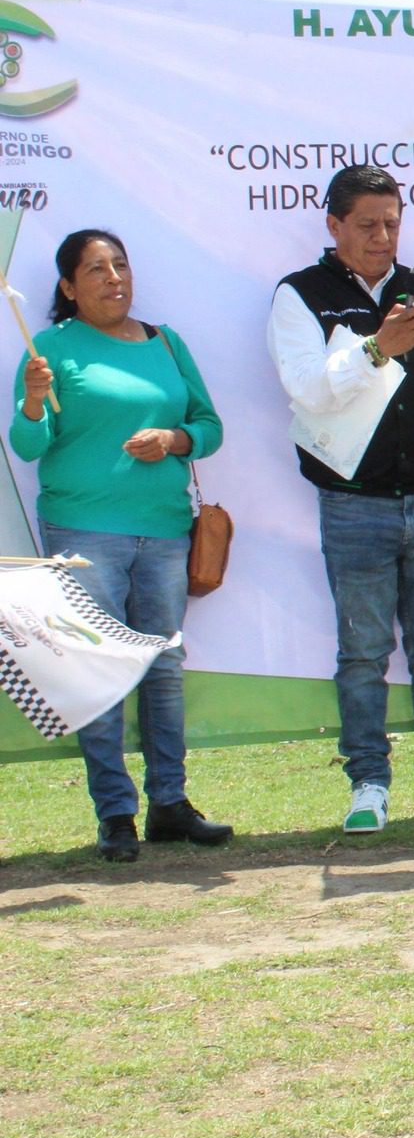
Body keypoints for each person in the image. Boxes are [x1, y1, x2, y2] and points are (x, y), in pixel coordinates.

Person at [267, 164, 414, 834]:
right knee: (363, 651)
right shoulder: (299, 294)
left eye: (392, 222)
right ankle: (368, 781)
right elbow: (307, 387)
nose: (382, 236)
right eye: (367, 225)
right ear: (333, 225)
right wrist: (376, 348)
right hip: (353, 500)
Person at [9, 229, 231, 861]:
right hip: (83, 535)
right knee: (100, 669)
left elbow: (209, 427)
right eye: (97, 270)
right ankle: (115, 815)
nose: (114, 278)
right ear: (69, 288)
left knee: (161, 668)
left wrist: (172, 439)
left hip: (164, 531)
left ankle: (170, 804)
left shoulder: (166, 342)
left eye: (121, 266)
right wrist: (31, 399)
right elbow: (28, 447)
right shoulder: (48, 349)